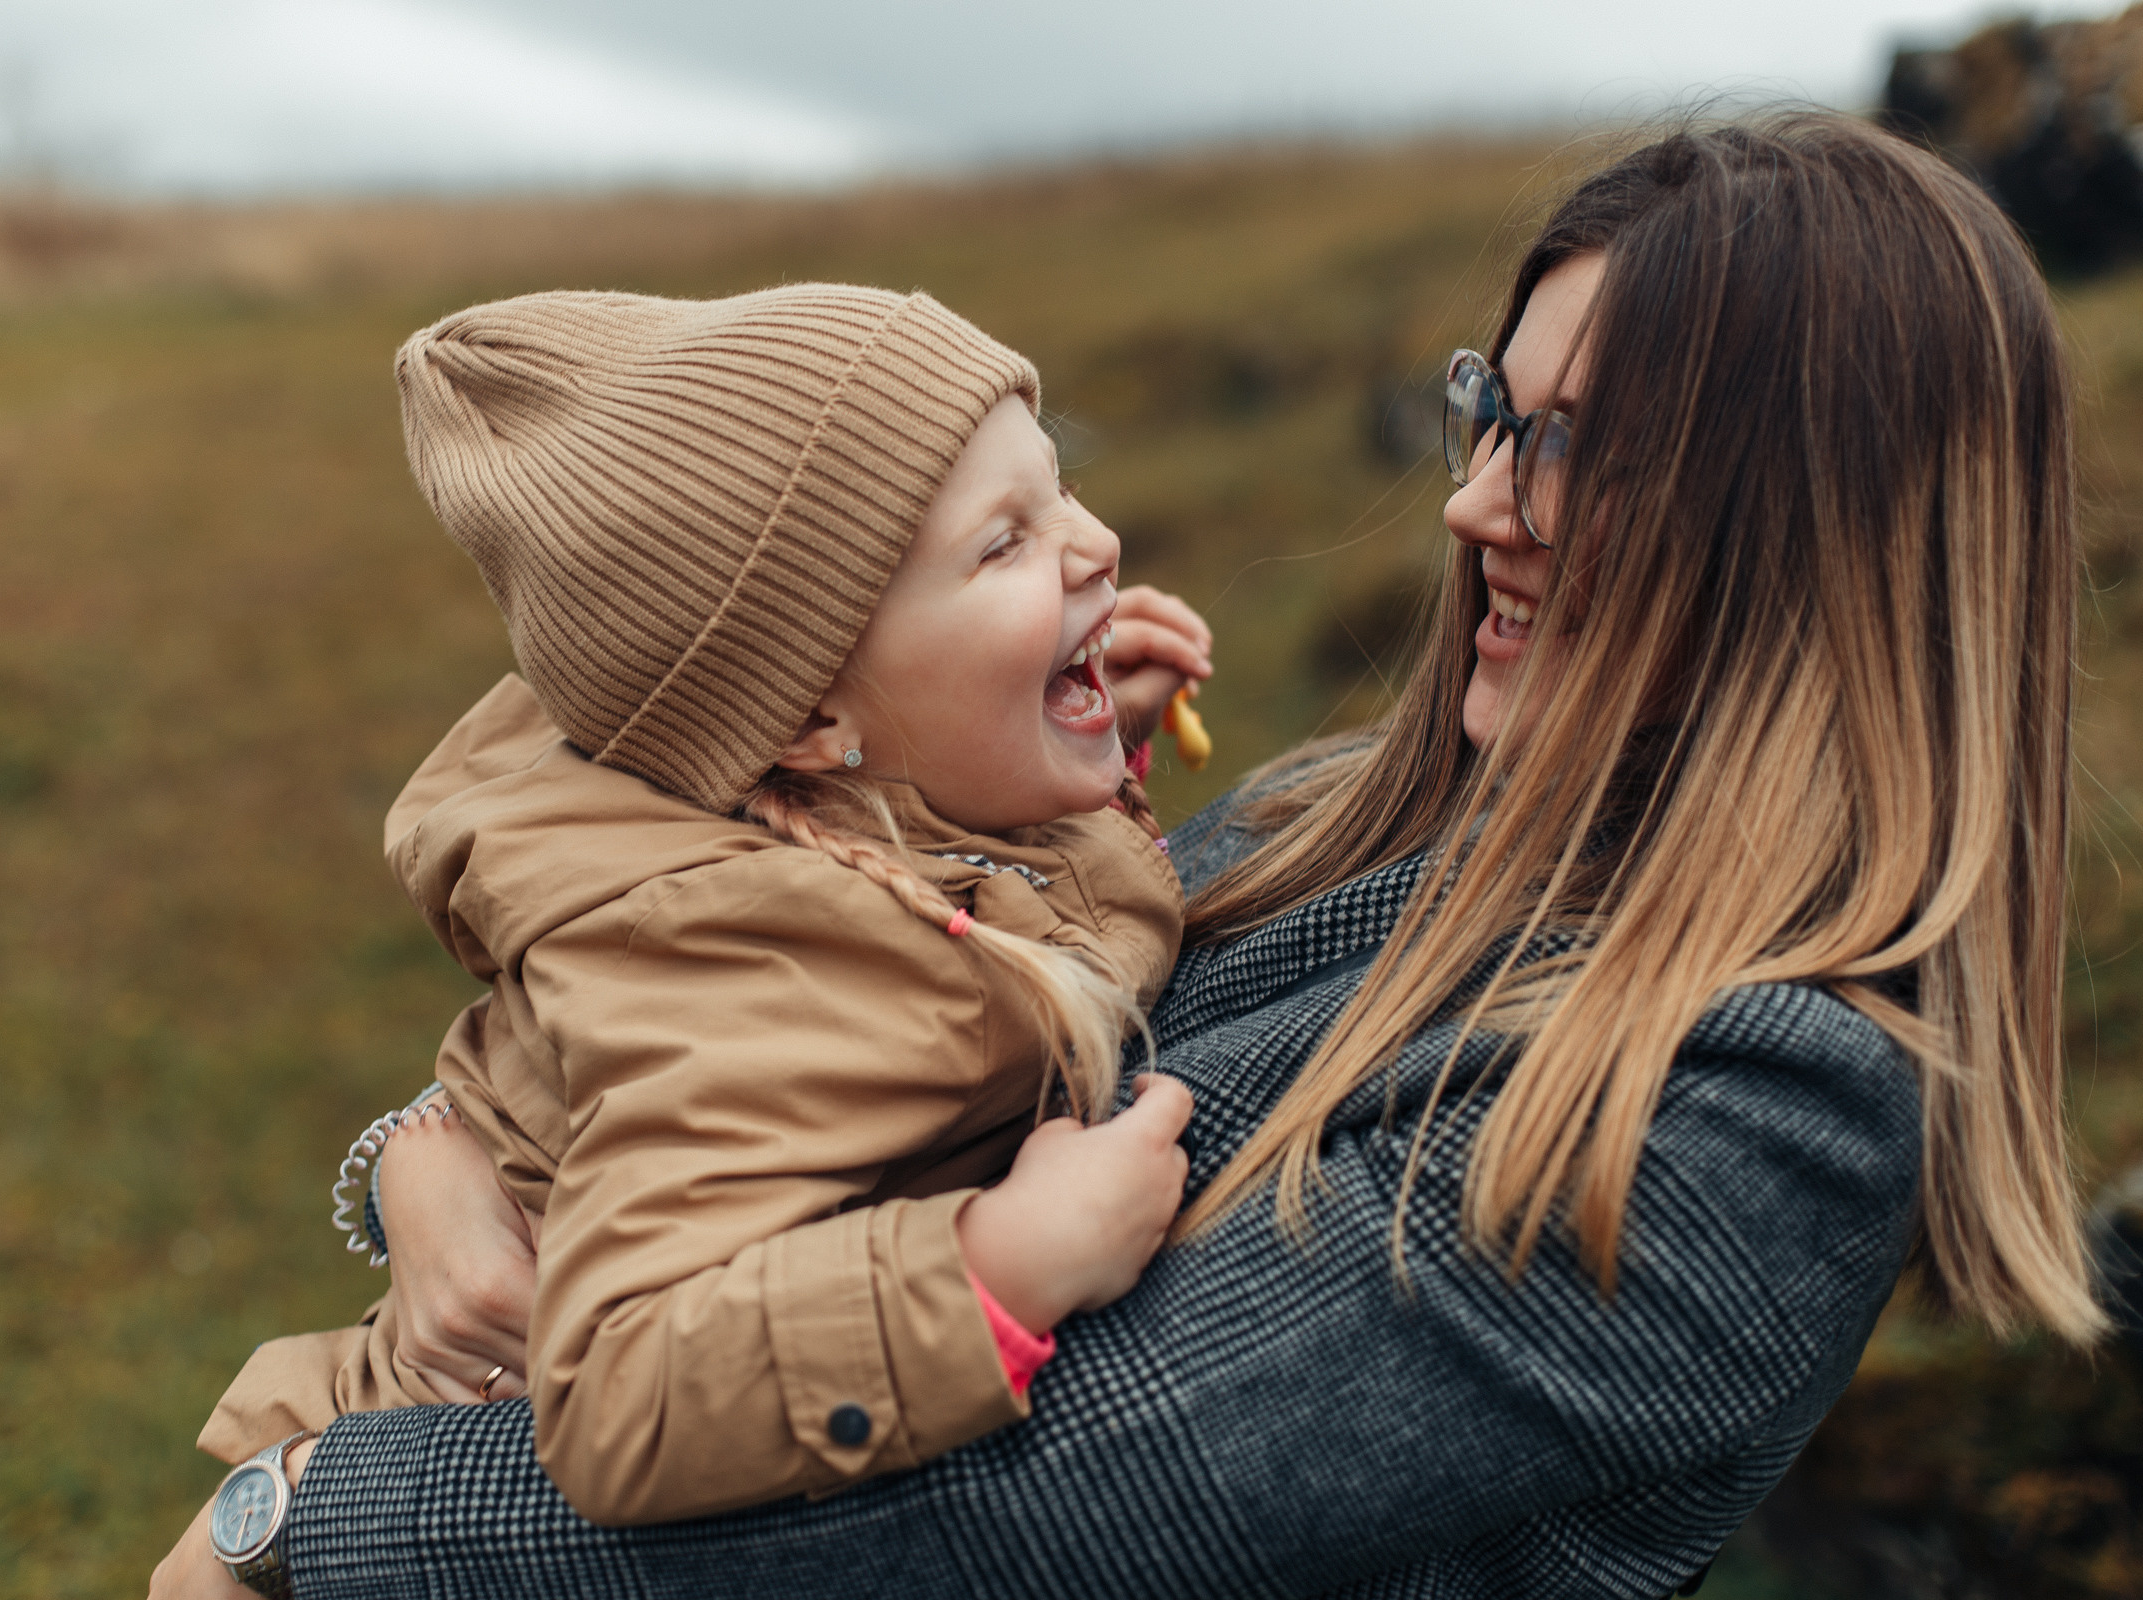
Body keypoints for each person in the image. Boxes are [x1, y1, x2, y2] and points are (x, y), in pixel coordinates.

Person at [154, 112, 2103, 1599]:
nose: (1472, 502)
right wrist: (420, 1163)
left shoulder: (1753, 1113)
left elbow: (1009, 1503)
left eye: (1573, 446)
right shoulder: (1353, 808)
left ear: (1813, 521)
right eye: (1489, 409)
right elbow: (764, 972)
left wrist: (314, 1517)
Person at [190, 284, 1222, 1527]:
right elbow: (618, 1390)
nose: (1096, 541)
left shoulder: (833, 803)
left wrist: (1089, 736)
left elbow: (941, 843)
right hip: (391, 1532)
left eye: (1057, 484)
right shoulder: (761, 961)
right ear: (804, 723)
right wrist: (991, 1269)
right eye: (1003, 541)